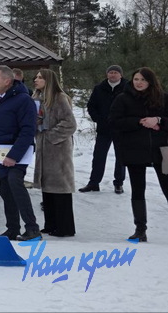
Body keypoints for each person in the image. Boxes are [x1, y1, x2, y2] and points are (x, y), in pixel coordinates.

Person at [108, 67, 168, 242]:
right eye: (136, 79)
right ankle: (140, 229)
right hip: (134, 150)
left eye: (142, 79)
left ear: (150, 81)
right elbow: (113, 121)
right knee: (138, 190)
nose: (139, 83)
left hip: (161, 150)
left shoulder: (163, 98)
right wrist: (139, 122)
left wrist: (158, 121)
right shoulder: (123, 99)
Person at [0, 65, 41, 241]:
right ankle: (12, 228)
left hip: (17, 153)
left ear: (7, 81)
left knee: (15, 184)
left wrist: (14, 156)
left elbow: (27, 130)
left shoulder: (24, 100)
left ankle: (32, 229)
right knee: (6, 190)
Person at [32, 69, 78, 237]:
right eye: (35, 77)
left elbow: (70, 123)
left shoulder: (59, 98)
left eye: (40, 77)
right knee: (48, 187)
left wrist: (50, 136)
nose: (36, 80)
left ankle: (65, 227)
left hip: (58, 150)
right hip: (44, 148)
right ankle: (50, 224)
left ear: (49, 80)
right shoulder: (37, 98)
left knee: (60, 187)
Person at [81, 65, 128, 193]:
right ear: (107, 74)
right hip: (104, 128)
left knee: (120, 157)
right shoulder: (99, 88)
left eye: (115, 72)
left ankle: (118, 183)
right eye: (110, 72)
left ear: (120, 75)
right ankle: (94, 183)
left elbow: (133, 106)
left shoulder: (128, 87)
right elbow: (91, 106)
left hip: (121, 128)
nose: (113, 75)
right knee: (98, 156)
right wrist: (98, 119)